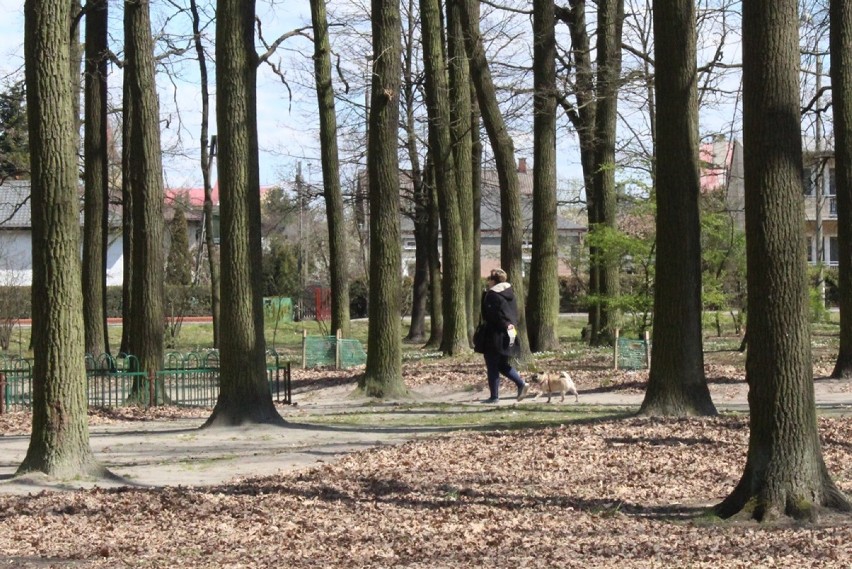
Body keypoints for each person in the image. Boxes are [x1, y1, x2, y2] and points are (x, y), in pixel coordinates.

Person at [479, 268, 528, 403]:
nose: (487, 282)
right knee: (502, 364)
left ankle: (494, 396)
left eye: (489, 279)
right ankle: (521, 383)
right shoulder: (510, 293)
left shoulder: (492, 295)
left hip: (495, 334)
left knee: (492, 365)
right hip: (509, 332)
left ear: (493, 280)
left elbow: (494, 316)